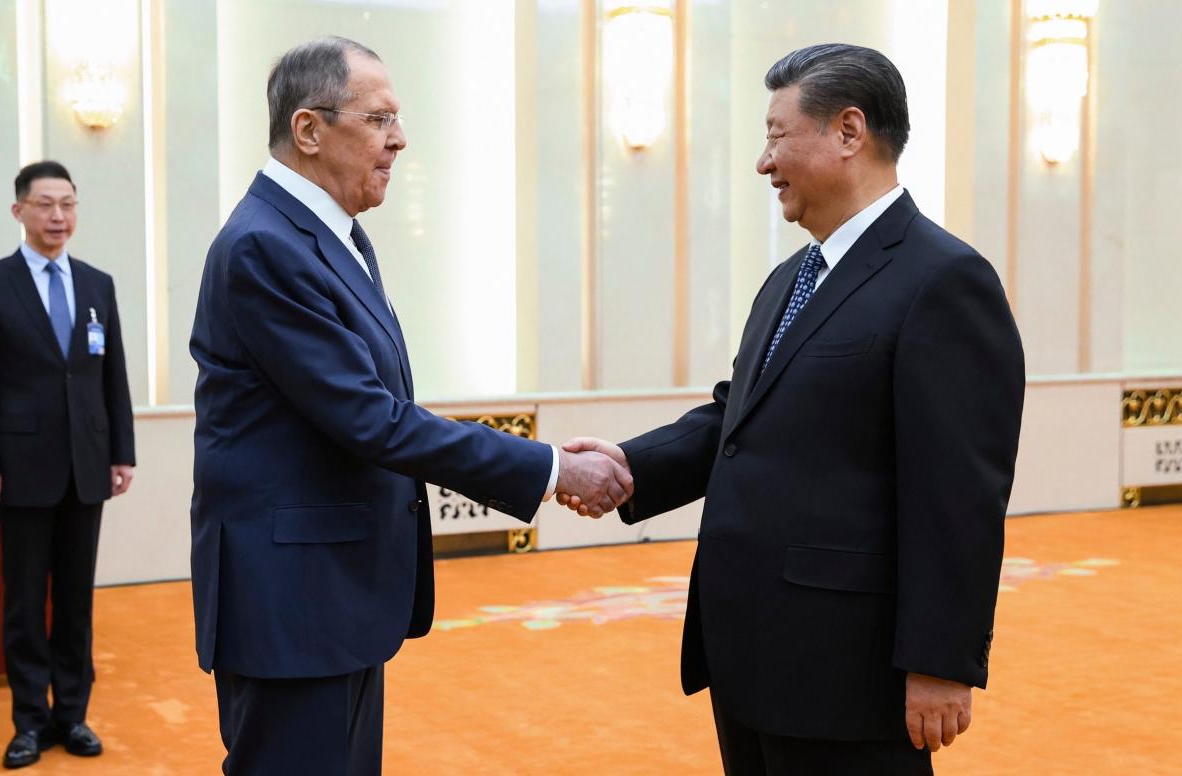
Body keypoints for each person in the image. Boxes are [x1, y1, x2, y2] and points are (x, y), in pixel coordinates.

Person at [558, 44, 1026, 775]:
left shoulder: (944, 279)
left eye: (776, 134)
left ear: (848, 132)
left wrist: (941, 662)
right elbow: (739, 417)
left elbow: (959, 495)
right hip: (752, 650)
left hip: (848, 665)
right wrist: (630, 464)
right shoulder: (789, 277)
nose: (761, 161)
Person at [189, 36, 630, 775]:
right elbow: (371, 419)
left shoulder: (332, 235)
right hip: (293, 603)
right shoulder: (266, 246)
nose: (400, 139)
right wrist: (551, 468)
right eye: (379, 118)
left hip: (333, 592)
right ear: (308, 130)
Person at [0, 160, 136, 769]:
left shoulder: (96, 284)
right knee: (26, 603)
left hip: (87, 465)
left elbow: (112, 376)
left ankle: (73, 716)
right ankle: (29, 722)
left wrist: (122, 452)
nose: (58, 216)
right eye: (44, 205)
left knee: (79, 602)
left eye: (67, 204)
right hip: (21, 467)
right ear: (19, 212)